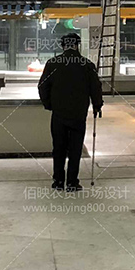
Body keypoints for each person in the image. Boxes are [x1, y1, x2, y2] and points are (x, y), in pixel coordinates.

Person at [37, 31, 103, 190]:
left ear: (63, 46)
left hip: (59, 114)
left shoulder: (53, 63)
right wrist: (97, 105)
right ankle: (72, 182)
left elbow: (42, 86)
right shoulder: (86, 64)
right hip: (78, 114)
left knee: (58, 148)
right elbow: (96, 88)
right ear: (77, 45)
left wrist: (49, 104)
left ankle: (58, 181)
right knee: (75, 148)